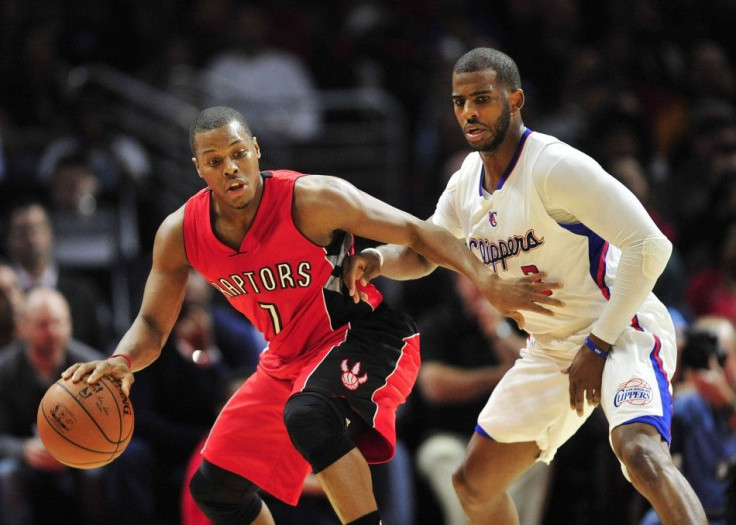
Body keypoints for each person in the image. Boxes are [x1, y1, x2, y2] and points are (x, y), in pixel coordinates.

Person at [61, 105, 560, 525]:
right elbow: (152, 325)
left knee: (310, 413)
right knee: (215, 488)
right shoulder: (180, 233)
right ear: (199, 169)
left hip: (366, 335)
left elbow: (417, 231)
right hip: (287, 359)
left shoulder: (314, 199)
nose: (232, 168)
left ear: (256, 150)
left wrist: (490, 281)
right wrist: (122, 360)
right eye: (216, 161)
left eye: (239, 154)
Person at [342, 48, 706, 524]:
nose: (469, 112)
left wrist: (597, 346)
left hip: (620, 328)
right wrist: (375, 260)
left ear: (515, 100)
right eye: (459, 102)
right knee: (473, 485)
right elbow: (423, 253)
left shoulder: (554, 166)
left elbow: (651, 246)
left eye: (482, 99)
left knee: (638, 454)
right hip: (551, 347)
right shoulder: (465, 182)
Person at [413, 271, 550, 525]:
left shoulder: (513, 322)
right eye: (471, 278)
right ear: (458, 282)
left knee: (538, 463)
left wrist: (497, 332)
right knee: (440, 456)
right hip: (449, 435)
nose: (479, 286)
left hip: (504, 436)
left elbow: (538, 368)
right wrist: (498, 376)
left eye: (488, 278)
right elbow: (433, 386)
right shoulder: (439, 321)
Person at [0, 287, 108, 525]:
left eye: (58, 323)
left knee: (97, 473)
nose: (52, 333)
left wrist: (74, 450)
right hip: (27, 459)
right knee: (6, 474)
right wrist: (23, 449)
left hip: (78, 458)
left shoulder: (92, 367)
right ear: (22, 327)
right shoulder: (4, 371)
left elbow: (107, 430)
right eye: (42, 325)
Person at [641, 316, 736, 525]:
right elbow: (646, 446)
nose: (713, 365)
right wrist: (667, 376)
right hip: (693, 515)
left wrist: (727, 403)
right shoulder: (688, 403)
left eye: (721, 356)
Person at [3, 202, 112, 349]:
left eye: (36, 230)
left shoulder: (82, 292)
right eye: (22, 232)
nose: (31, 239)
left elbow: (99, 347)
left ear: (50, 233)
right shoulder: (4, 296)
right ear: (9, 239)